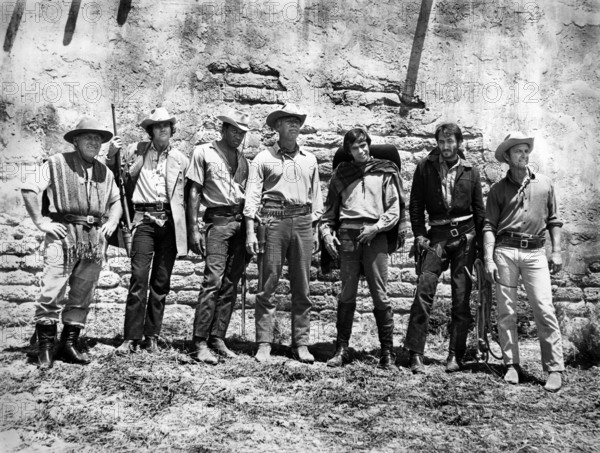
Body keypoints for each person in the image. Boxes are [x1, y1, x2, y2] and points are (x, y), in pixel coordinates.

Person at [22, 117, 122, 368]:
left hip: (92, 240)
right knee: (52, 290)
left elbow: (116, 202)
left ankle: (68, 343)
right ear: (75, 140)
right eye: (87, 137)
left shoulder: (105, 172)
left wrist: (112, 221)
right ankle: (45, 346)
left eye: (98, 138)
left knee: (81, 294)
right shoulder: (56, 163)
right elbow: (29, 189)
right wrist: (41, 223)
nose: (93, 142)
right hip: (62, 235)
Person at [483, 132, 564, 392]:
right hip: (505, 251)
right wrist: (488, 258)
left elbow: (554, 220)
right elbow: (488, 226)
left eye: (526, 150)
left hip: (535, 253)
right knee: (506, 311)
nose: (524, 154)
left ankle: (554, 368)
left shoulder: (545, 184)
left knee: (544, 307)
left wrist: (557, 251)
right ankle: (511, 365)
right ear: (507, 156)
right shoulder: (497, 190)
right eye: (518, 151)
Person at [321, 128, 408, 369]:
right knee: (347, 293)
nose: (362, 150)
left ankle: (387, 354)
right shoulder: (341, 174)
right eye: (357, 147)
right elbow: (329, 212)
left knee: (380, 293)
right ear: (349, 151)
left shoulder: (385, 170)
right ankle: (341, 349)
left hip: (374, 235)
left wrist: (377, 228)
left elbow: (393, 208)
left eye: (365, 145)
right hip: (347, 236)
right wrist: (327, 234)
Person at [244, 103, 323, 364]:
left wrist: (314, 227)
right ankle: (264, 343)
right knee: (268, 284)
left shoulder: (309, 159)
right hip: (273, 220)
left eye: (297, 121)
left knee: (302, 286)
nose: (293, 124)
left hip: (302, 222)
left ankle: (300, 344)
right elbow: (252, 198)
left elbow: (316, 198)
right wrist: (251, 232)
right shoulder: (263, 159)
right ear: (276, 126)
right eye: (287, 120)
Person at [404, 122, 485, 374]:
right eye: (442, 142)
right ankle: (416, 353)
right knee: (423, 291)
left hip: (465, 238)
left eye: (451, 142)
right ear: (437, 143)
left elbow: (479, 210)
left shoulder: (471, 171)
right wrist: (419, 235)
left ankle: (454, 355)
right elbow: (415, 204)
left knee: (461, 298)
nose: (446, 146)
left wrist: (481, 246)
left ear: (458, 143)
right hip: (436, 237)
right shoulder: (425, 168)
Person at [107, 107, 189, 354]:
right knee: (138, 278)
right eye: (157, 125)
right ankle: (131, 337)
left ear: (171, 129)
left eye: (166, 125)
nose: (162, 128)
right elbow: (114, 176)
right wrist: (112, 155)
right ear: (150, 130)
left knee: (161, 282)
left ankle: (151, 336)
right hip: (143, 222)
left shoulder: (182, 160)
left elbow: (190, 195)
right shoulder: (135, 151)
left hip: (170, 224)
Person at [186, 110, 251, 364]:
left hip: (240, 221)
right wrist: (193, 228)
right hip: (217, 220)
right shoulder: (204, 152)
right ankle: (199, 341)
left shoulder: (243, 160)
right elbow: (194, 191)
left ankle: (218, 337)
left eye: (242, 132)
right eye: (234, 130)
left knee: (231, 282)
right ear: (223, 129)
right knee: (212, 279)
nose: (238, 136)